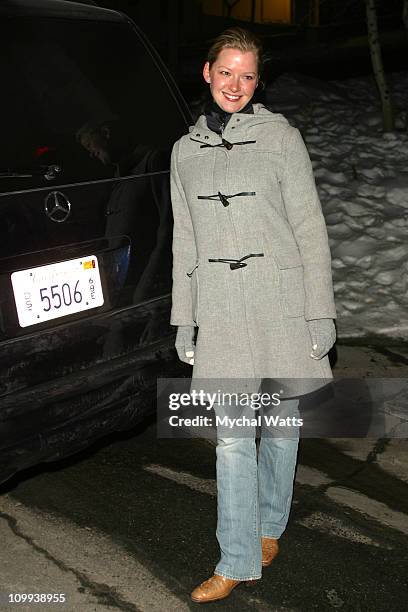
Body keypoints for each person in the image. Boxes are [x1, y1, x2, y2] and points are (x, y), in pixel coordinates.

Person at [170, 27, 336, 603]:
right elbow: (184, 240)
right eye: (225, 72)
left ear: (257, 81)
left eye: (247, 75)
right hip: (219, 307)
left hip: (282, 302)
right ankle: (236, 558)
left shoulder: (280, 137)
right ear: (207, 73)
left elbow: (310, 227)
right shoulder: (184, 151)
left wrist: (321, 312)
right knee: (234, 440)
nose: (235, 85)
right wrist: (184, 318)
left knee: (282, 428)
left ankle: (270, 525)